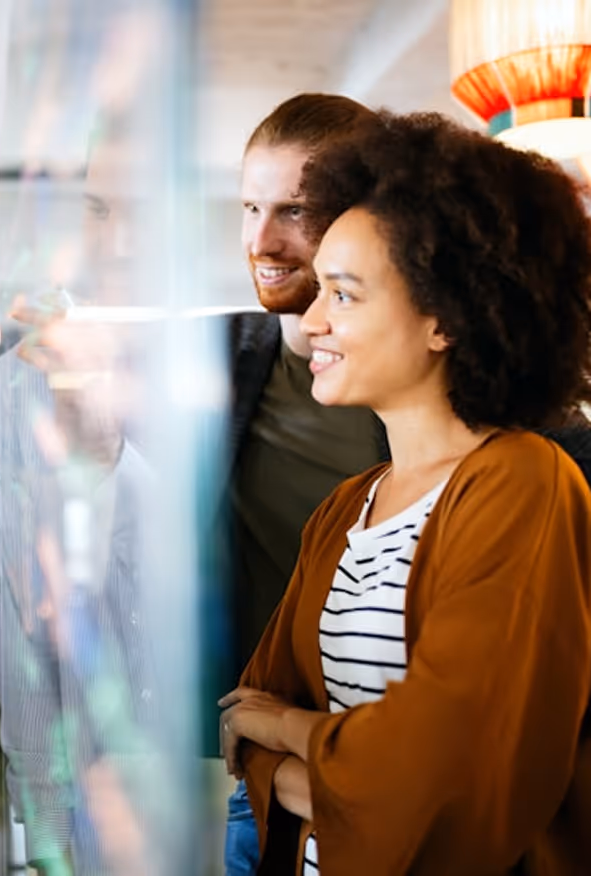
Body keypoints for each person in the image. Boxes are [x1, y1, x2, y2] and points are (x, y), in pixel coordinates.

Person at [220, 110, 591, 874]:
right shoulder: (347, 508)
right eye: (320, 290)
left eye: (346, 295)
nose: (315, 319)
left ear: (443, 321)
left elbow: (446, 777)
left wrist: (293, 734)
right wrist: (313, 760)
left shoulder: (524, 483)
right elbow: (243, 728)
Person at [210, 93, 387, 876]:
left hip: (392, 765)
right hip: (259, 770)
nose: (260, 239)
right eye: (250, 205)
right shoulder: (212, 358)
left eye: (293, 211)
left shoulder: (446, 394)